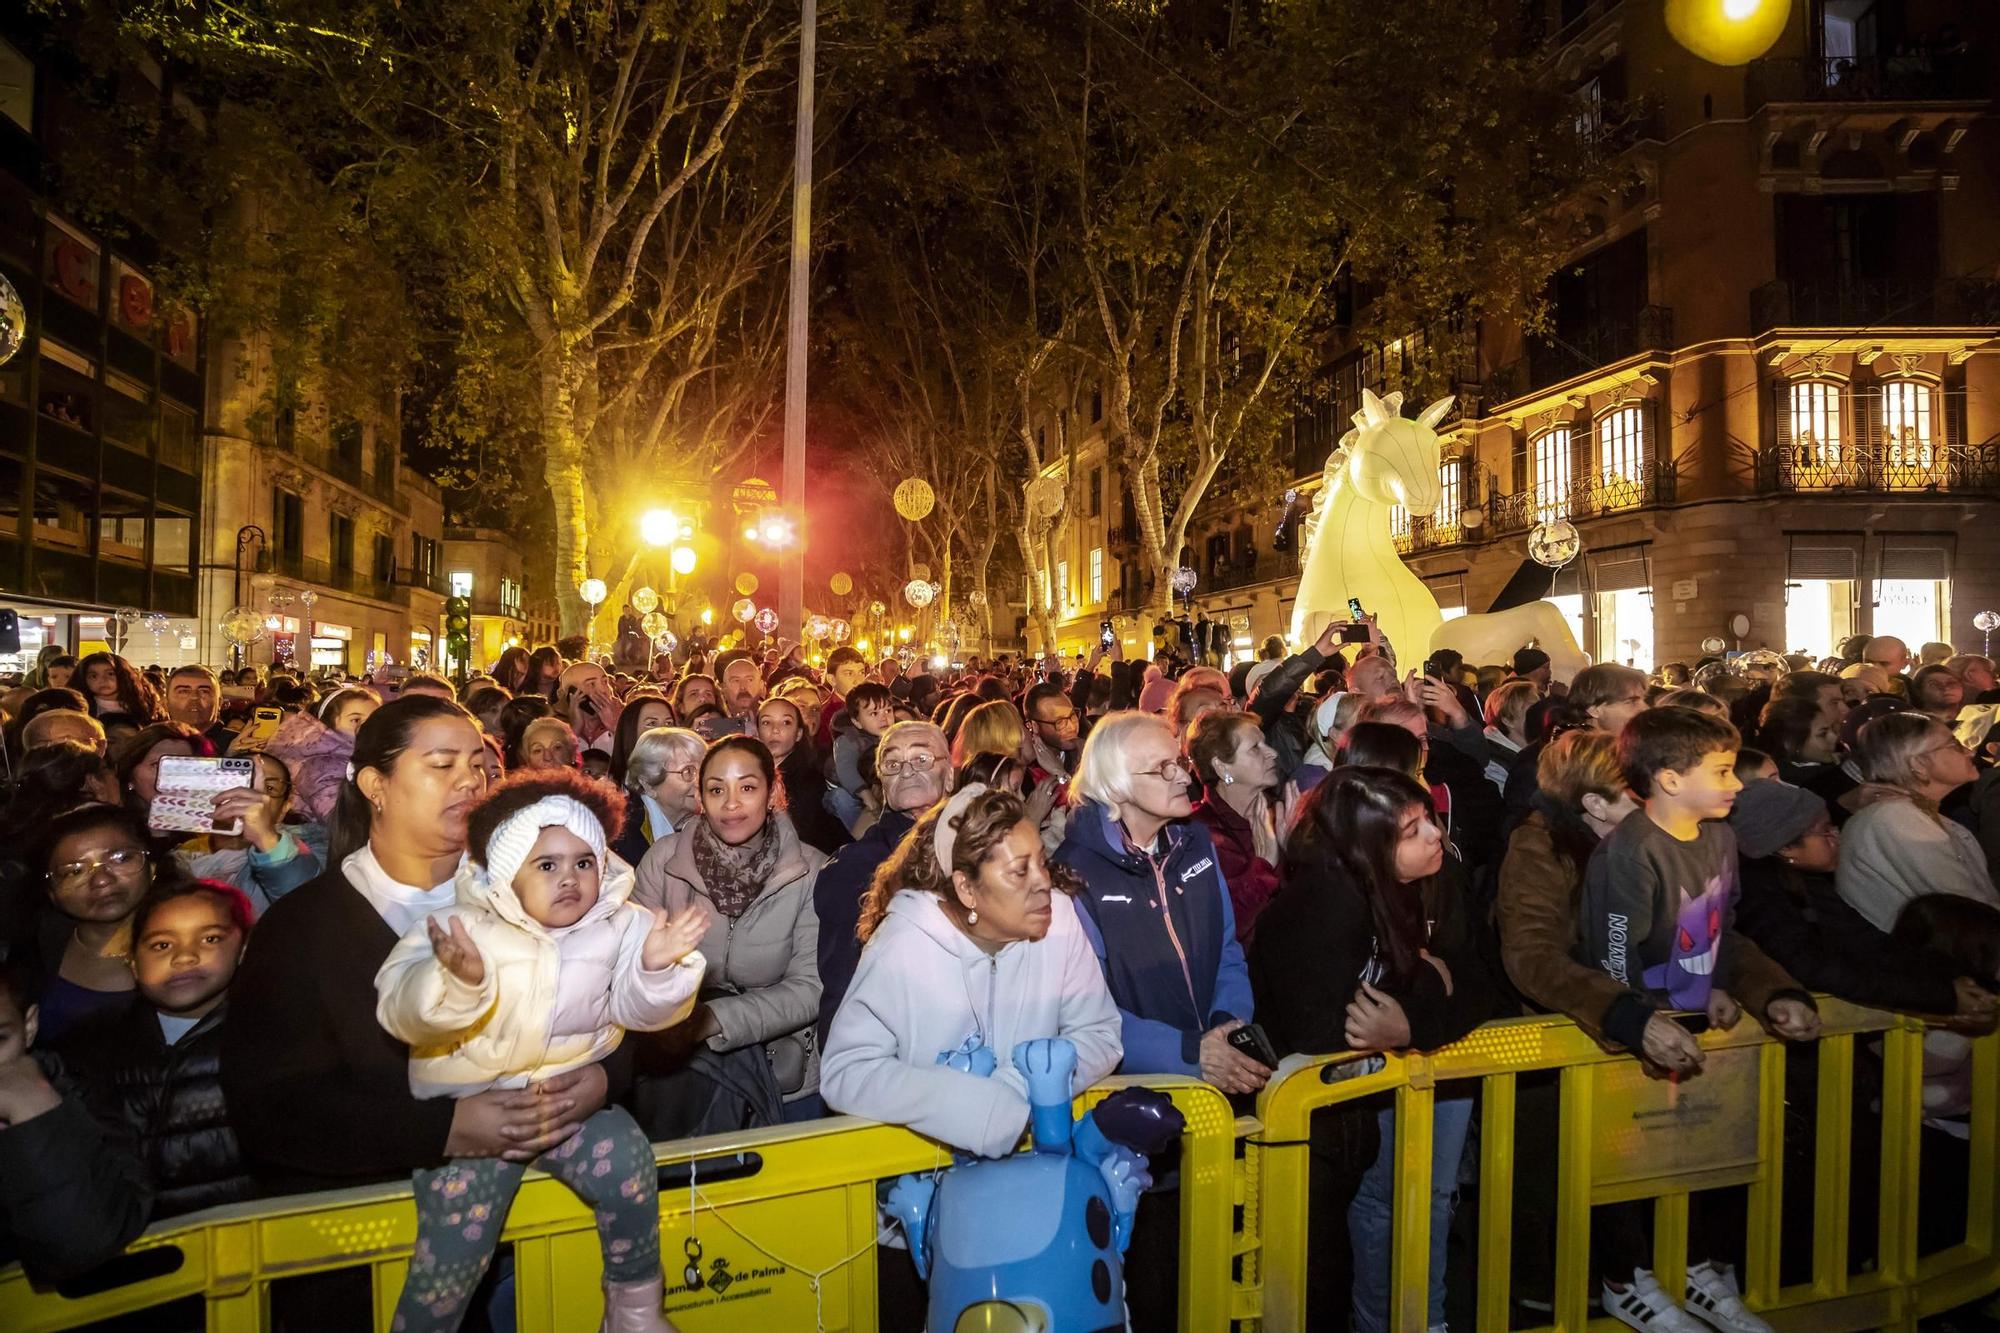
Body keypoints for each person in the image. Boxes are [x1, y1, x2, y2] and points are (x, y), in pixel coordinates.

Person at [223, 697, 616, 1214]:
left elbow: (620, 998)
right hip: (377, 1225)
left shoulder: (543, 894)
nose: (471, 781)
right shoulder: (302, 930)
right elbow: (272, 1107)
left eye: (478, 764)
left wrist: (602, 1078)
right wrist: (444, 1129)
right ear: (374, 786)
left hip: (549, 1211)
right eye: (442, 764)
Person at [375, 769, 708, 1332]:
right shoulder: (462, 928)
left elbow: (636, 1012)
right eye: (547, 865)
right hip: (475, 1118)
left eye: (584, 862)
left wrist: (657, 967)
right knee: (453, 1252)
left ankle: (634, 1311)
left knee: (631, 1169)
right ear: (507, 874)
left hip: (568, 1107)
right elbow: (400, 1012)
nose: (570, 879)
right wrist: (460, 983)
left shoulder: (620, 923)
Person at [1580, 707, 1819, 1332]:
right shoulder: (1628, 853)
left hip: (1693, 1028)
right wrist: (1648, 1018)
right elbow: (1613, 955)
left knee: (1701, 1155)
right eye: (1720, 770)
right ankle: (1628, 1281)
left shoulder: (1719, 838)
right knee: (1631, 1162)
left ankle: (1694, 1271)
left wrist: (1716, 986)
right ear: (1668, 779)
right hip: (1638, 1039)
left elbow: (1720, 927)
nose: (1737, 784)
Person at [1250, 766, 1500, 1333]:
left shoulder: (1429, 880)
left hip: (1356, 1120)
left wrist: (1414, 1018)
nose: (1435, 835)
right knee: (1318, 1278)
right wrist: (1428, 990)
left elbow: (1483, 983)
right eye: (1412, 831)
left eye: (1429, 820)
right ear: (1369, 844)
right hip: (1305, 1134)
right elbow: (1327, 1030)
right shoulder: (1325, 900)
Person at [820, 783, 1122, 1156]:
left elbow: (1100, 1034)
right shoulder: (904, 945)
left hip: (1037, 1166)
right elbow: (845, 1072)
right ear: (966, 888)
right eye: (1018, 872)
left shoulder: (1059, 920)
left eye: (1041, 862)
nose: (1044, 882)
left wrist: (1021, 1086)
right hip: (929, 1176)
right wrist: (964, 1103)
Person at [1053, 713, 1263, 1094]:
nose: (1184, 777)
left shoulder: (1197, 844)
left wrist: (1228, 1023)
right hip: (1136, 1092)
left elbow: (1227, 950)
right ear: (1115, 787)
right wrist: (1187, 1053)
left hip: (1218, 1066)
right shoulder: (1074, 875)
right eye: (1162, 769)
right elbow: (1084, 1010)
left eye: (1179, 762)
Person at [633, 737, 828, 1128]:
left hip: (784, 1075)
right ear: (700, 797)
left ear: (773, 792)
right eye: (717, 789)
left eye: (748, 788)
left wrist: (712, 1019)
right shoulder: (664, 861)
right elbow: (628, 964)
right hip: (682, 1075)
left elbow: (811, 987)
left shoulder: (812, 871)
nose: (731, 803)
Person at [57, 878, 259, 1216]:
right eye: (162, 945)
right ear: (133, 963)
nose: (185, 957)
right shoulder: (89, 1049)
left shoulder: (270, 1034)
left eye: (210, 939)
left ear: (243, 950)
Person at [1729, 779, 1985, 1019]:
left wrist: (1946, 979)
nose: (1836, 837)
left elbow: (1866, 942)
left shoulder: (1804, 882)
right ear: (1785, 847)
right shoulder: (1759, 896)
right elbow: (1817, 966)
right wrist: (1941, 995)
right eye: (1824, 832)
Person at [0, 958, 152, 1282]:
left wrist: (34, 1111)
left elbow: (87, 1244)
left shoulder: (76, 1092)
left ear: (28, 1027)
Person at [814, 721, 953, 1046]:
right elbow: (845, 987)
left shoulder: (983, 849)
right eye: (892, 764)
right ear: (882, 784)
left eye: (921, 759)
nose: (906, 771)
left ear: (949, 775)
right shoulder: (857, 867)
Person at [31, 804, 179, 1045]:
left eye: (121, 858)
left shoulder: (193, 940)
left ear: (151, 865)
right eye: (74, 871)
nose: (101, 880)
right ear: (52, 892)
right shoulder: (39, 945)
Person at [1835, 712, 1994, 932]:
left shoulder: (1913, 814)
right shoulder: (1895, 821)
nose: (1969, 751)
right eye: (1954, 745)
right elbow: (1968, 907)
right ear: (1918, 763)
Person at [170, 754, 324, 915]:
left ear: (283, 809)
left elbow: (308, 905)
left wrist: (265, 837)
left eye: (269, 788)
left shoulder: (313, 847)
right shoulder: (177, 861)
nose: (248, 794)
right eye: (238, 782)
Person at [1505, 663, 1650, 830]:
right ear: (1594, 709)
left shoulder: (1629, 750)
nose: (1645, 708)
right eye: (1631, 702)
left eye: (1644, 699)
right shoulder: (1546, 762)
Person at [1187, 710, 1285, 944]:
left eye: (1266, 744)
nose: (1272, 753)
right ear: (1222, 767)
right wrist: (1264, 865)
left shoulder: (1278, 814)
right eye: (1255, 748)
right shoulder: (1199, 834)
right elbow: (1217, 925)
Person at [758, 696, 846, 856]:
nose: (775, 730)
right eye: (766, 722)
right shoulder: (753, 776)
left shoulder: (810, 781)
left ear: (798, 734)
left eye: (786, 722)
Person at [110, 721, 205, 827]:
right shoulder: (110, 831)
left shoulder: (210, 833)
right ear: (130, 774)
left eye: (183, 766)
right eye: (157, 765)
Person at [829, 682, 896, 832]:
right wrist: (866, 795)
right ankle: (864, 837)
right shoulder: (848, 740)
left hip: (879, 788)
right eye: (874, 713)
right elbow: (846, 770)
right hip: (851, 791)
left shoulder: (895, 734)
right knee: (841, 799)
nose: (884, 718)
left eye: (888, 710)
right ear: (856, 721)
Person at [608, 689, 674, 788]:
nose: (663, 730)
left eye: (669, 723)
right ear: (631, 730)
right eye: (652, 724)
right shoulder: (611, 787)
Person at [163, 665, 238, 752]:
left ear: (220, 703)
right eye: (183, 691)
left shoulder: (239, 744)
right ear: (166, 703)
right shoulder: (151, 744)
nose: (194, 697)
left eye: (204, 691)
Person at [75, 652, 160, 728]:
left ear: (124, 675)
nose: (102, 680)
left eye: (110, 674)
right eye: (93, 676)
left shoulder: (142, 704)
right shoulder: (80, 707)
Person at [1483, 679, 1539, 790]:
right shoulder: (1496, 764)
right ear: (1508, 720)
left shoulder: (1543, 746)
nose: (1541, 713)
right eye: (1532, 710)